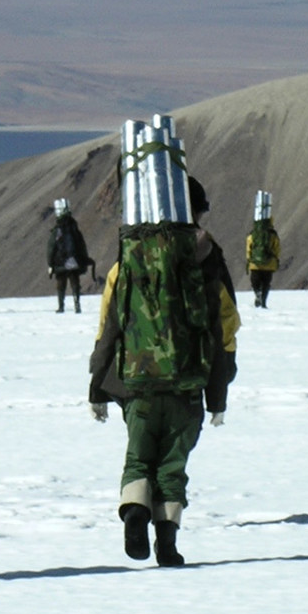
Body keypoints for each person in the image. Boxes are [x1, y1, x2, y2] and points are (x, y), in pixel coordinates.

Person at [88, 178, 240, 567]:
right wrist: (218, 396)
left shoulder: (130, 260)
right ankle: (167, 543)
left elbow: (110, 326)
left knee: (139, 459)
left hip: (137, 384)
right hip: (188, 384)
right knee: (173, 465)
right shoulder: (207, 258)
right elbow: (223, 328)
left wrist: (97, 386)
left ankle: (135, 514)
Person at [46, 198, 93, 314]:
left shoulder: (57, 230)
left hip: (60, 263)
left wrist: (50, 263)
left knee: (61, 285)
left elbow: (51, 248)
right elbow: (81, 245)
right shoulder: (74, 229)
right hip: (74, 262)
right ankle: (77, 305)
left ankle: (61, 306)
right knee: (75, 284)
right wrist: (83, 260)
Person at [245, 215, 281, 308]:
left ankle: (258, 294)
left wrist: (249, 259)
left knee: (255, 282)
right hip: (269, 264)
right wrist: (275, 260)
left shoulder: (253, 235)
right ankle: (263, 302)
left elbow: (249, 248)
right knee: (266, 283)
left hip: (255, 264)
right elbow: (277, 249)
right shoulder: (273, 235)